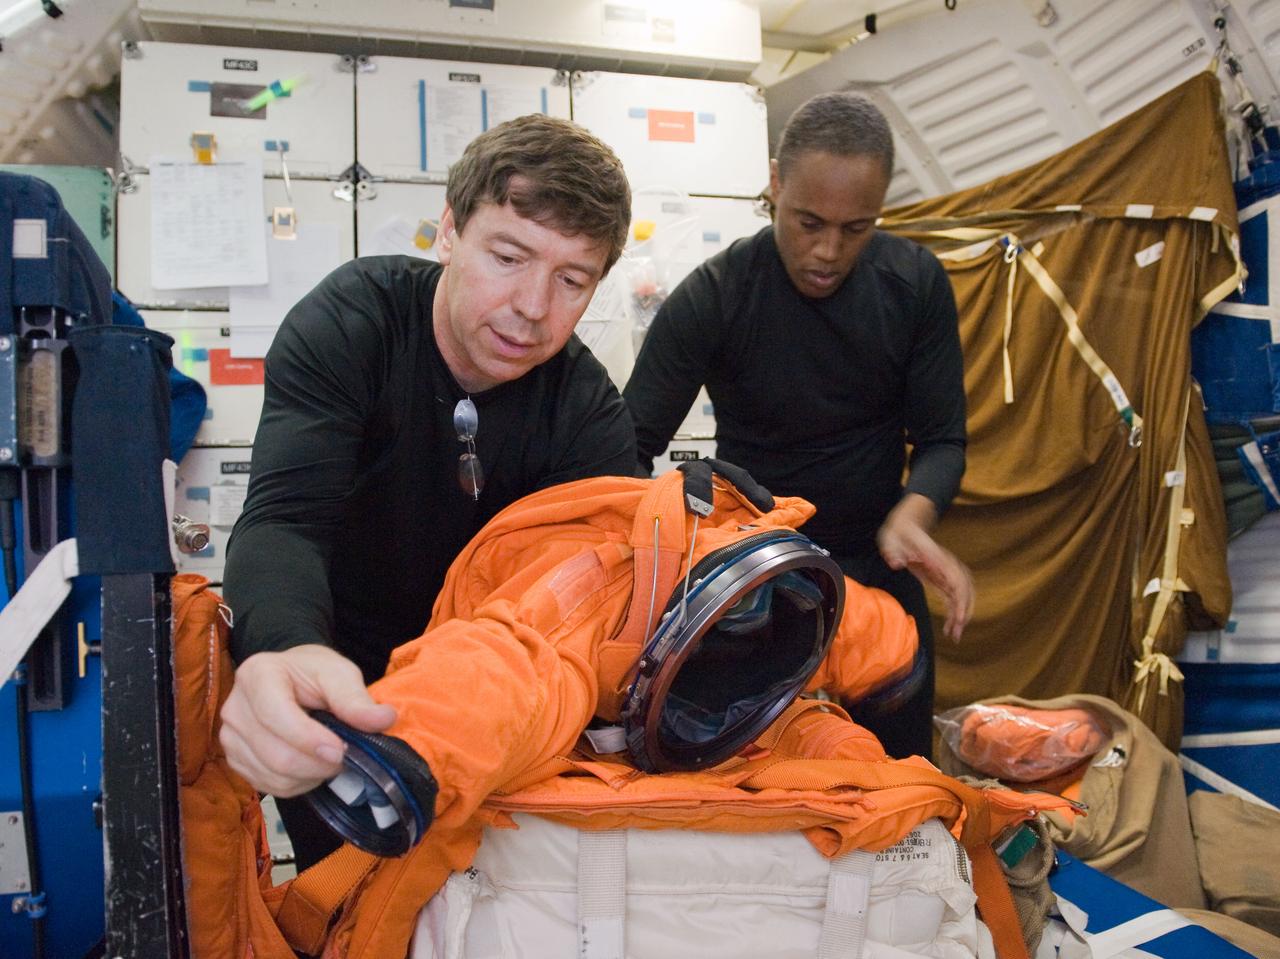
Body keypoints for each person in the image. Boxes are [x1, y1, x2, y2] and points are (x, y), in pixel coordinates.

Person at [218, 114, 637, 868]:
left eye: (572, 280)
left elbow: (589, 602)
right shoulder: (351, 324)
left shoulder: (586, 410)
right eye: (508, 257)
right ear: (449, 231)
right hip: (338, 678)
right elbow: (284, 521)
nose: (534, 307)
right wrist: (285, 650)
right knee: (349, 902)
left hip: (487, 700)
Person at [623, 92, 974, 760]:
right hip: (753, 584)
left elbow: (942, 441)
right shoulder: (716, 296)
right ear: (776, 183)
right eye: (808, 221)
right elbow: (627, 445)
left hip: (877, 570)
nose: (828, 250)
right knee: (760, 788)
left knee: (897, 785)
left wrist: (914, 514)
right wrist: (657, 556)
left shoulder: (915, 285)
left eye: (856, 228)